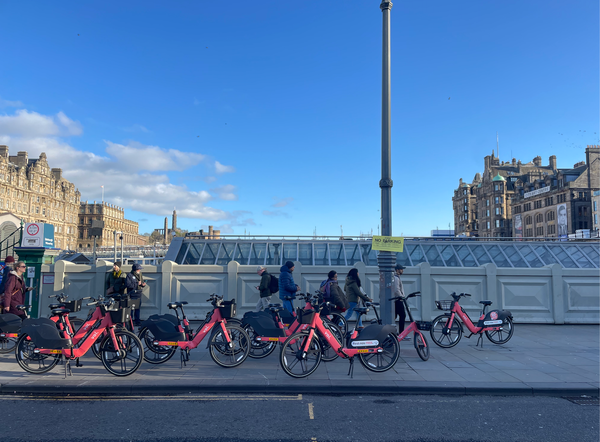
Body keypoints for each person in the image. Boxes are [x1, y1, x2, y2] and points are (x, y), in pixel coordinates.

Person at [393, 264, 408, 338]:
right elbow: (396, 290)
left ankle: (395, 332)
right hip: (398, 300)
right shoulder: (396, 278)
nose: (402, 270)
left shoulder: (396, 278)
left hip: (397, 300)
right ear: (397, 270)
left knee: (394, 316)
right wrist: (402, 297)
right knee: (402, 315)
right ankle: (402, 333)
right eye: (401, 269)